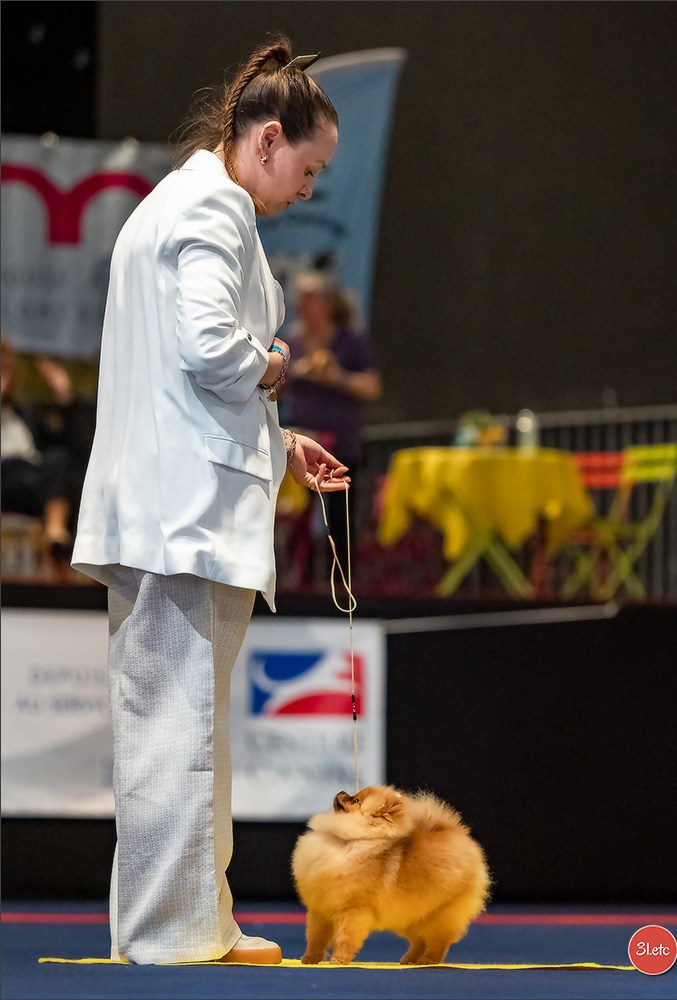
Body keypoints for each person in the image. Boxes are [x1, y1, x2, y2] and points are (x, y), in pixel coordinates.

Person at [70, 37, 348, 966]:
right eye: (307, 168)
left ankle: (195, 922)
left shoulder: (180, 205)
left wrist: (279, 444)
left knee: (182, 726)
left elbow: (184, 383)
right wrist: (273, 364)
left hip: (172, 503)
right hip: (179, 519)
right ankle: (167, 936)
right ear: (268, 140)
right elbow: (209, 353)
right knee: (174, 730)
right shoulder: (213, 211)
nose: (309, 187)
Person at [282, 270, 382, 582]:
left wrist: (337, 377)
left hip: (341, 444)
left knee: (340, 518)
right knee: (297, 517)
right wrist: (297, 371)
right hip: (300, 445)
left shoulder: (351, 341)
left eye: (308, 299)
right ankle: (302, 583)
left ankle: (342, 585)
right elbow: (273, 384)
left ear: (327, 303)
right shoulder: (293, 342)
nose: (301, 305)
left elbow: (372, 387)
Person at [1, 337, 76, 569]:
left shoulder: (24, 413)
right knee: (15, 466)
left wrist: (63, 397)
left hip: (34, 481)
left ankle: (56, 531)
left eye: (3, 370)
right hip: (7, 477)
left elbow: (60, 443)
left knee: (59, 458)